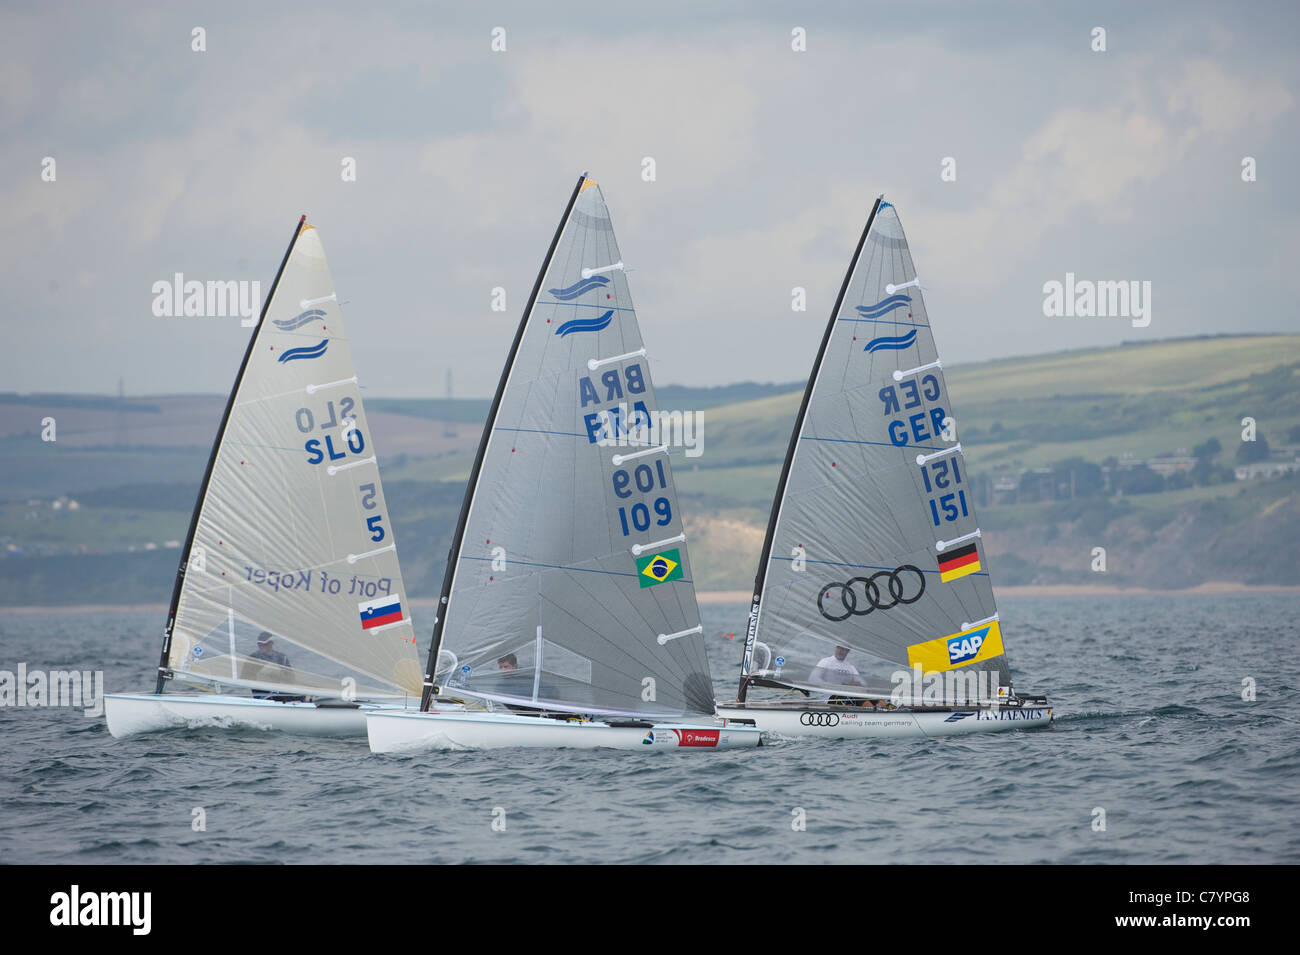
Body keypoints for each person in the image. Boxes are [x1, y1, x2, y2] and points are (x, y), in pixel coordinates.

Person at [809, 645, 887, 708]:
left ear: (848, 651)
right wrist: (840, 687)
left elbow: (863, 684)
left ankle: (888, 710)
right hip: (830, 698)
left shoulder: (850, 667)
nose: (840, 651)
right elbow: (813, 679)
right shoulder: (825, 662)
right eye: (839, 647)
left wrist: (856, 684)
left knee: (875, 698)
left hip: (848, 696)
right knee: (860, 699)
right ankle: (874, 716)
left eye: (844, 649)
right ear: (836, 648)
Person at [248, 632, 302, 701]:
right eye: (259, 644)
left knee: (298, 696)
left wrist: (277, 675)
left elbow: (291, 678)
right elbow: (245, 678)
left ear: (271, 643)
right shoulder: (253, 658)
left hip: (280, 691)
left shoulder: (282, 657)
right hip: (262, 694)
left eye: (264, 644)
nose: (261, 646)